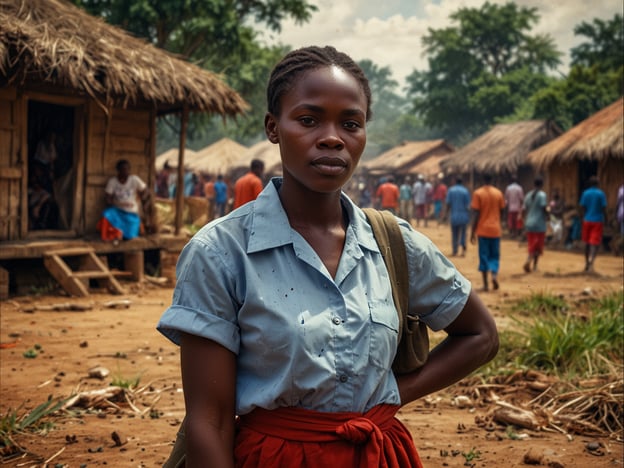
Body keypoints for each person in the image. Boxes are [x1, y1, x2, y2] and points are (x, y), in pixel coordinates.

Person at [157, 45, 498, 468]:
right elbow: (209, 422)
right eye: (308, 119)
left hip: (377, 455)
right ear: (273, 127)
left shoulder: (394, 243)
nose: (333, 136)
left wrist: (392, 393)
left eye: (350, 123)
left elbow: (481, 335)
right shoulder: (220, 253)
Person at [97, 159, 148, 241]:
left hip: (131, 212)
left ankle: (121, 233)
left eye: (127, 169)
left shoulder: (134, 179)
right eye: (123, 169)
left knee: (131, 235)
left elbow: (145, 190)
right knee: (106, 214)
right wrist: (112, 202)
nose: (126, 171)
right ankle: (112, 234)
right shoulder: (113, 181)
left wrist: (140, 198)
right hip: (118, 210)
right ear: (118, 170)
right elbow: (108, 196)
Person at [470, 173, 505, 291]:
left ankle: (485, 284)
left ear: (481, 179)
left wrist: (472, 232)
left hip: (483, 230)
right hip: (495, 229)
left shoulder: (478, 193)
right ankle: (494, 275)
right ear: (492, 180)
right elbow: (502, 211)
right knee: (494, 255)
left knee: (484, 256)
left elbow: (476, 214)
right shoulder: (498, 193)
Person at [579, 176, 607, 272]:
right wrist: (606, 219)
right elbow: (604, 208)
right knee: (594, 243)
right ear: (598, 184)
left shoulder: (585, 193)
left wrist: (583, 218)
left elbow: (582, 208)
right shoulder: (601, 194)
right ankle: (591, 262)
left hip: (587, 220)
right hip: (597, 220)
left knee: (586, 242)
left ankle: (587, 262)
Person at [522, 177, 548, 272]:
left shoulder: (528, 195)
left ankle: (529, 259)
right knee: (538, 246)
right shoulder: (542, 195)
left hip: (529, 223)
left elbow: (524, 210)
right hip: (539, 224)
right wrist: (548, 216)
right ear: (542, 185)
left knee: (531, 244)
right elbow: (544, 208)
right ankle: (534, 265)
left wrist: (524, 220)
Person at [445, 177, 471, 257]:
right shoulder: (465, 191)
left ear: (455, 181)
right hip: (463, 216)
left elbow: (448, 204)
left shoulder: (451, 190)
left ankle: (455, 251)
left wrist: (446, 214)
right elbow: (468, 206)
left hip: (454, 216)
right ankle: (463, 251)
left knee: (455, 234)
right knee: (463, 233)